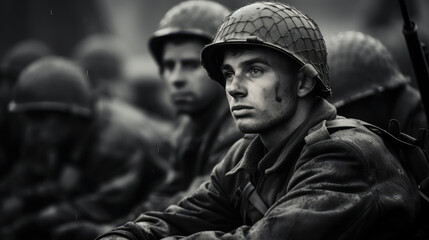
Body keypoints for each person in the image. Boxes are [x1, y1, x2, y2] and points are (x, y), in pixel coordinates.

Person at [98, 2, 420, 239]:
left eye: (254, 70)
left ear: (304, 83)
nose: (234, 88)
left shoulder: (345, 156)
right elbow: (184, 217)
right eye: (228, 74)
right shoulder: (245, 156)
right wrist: (128, 235)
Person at [54, 1, 242, 240]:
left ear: (224, 68)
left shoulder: (239, 126)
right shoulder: (190, 125)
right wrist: (118, 227)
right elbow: (168, 194)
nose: (176, 78)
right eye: (168, 66)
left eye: (191, 65)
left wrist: (114, 230)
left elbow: (198, 205)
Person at [0, 57, 168, 240]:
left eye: (40, 117)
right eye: (28, 118)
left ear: (71, 115)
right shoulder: (69, 134)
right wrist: (25, 202)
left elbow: (107, 204)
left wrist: (38, 221)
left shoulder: (114, 141)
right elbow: (64, 184)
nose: (31, 130)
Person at [326, 31, 427, 143]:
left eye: (345, 113)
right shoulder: (401, 130)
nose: (342, 123)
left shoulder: (422, 126)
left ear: (376, 99)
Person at [0, 40, 52, 179]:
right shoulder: (6, 116)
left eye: (13, 82)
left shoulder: (48, 124)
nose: (4, 91)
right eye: (3, 82)